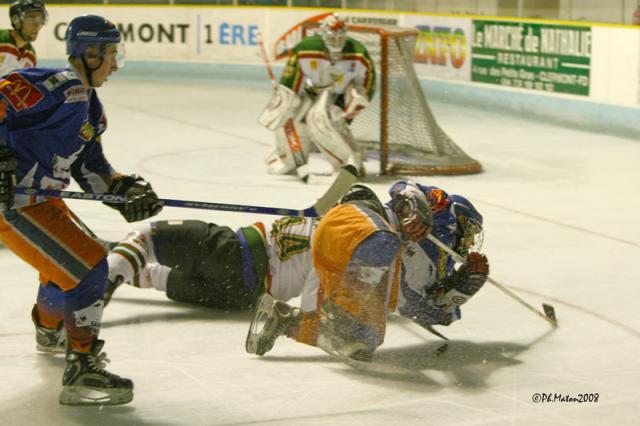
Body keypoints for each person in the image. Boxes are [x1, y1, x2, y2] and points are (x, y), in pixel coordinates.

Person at [104, 182, 488, 361]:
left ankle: (114, 260)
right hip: (248, 256)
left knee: (155, 269)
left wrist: (460, 288)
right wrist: (409, 205)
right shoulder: (382, 226)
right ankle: (112, 263)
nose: (469, 241)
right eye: (467, 230)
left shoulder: (414, 252)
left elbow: (423, 308)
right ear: (450, 222)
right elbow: (360, 195)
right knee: (150, 247)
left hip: (243, 286)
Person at [0, 15, 163, 406]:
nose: (115, 64)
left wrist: (124, 190)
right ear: (88, 53)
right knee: (91, 266)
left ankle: (51, 327)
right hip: (14, 202)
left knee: (68, 264)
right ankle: (82, 365)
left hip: (42, 203)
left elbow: (92, 171)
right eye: (110, 54)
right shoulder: (56, 85)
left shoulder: (91, 109)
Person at [258, 13, 375, 176]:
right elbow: (290, 82)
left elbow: (366, 87)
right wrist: (286, 101)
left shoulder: (358, 53)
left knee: (322, 121)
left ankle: (348, 163)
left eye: (340, 38)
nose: (336, 42)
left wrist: (346, 111)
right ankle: (291, 158)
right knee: (294, 118)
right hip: (310, 92)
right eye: (332, 37)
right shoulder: (305, 48)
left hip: (338, 97)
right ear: (323, 35)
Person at [0, 0, 47, 77]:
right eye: (31, 18)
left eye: (40, 19)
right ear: (16, 20)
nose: (37, 25)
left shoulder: (31, 56)